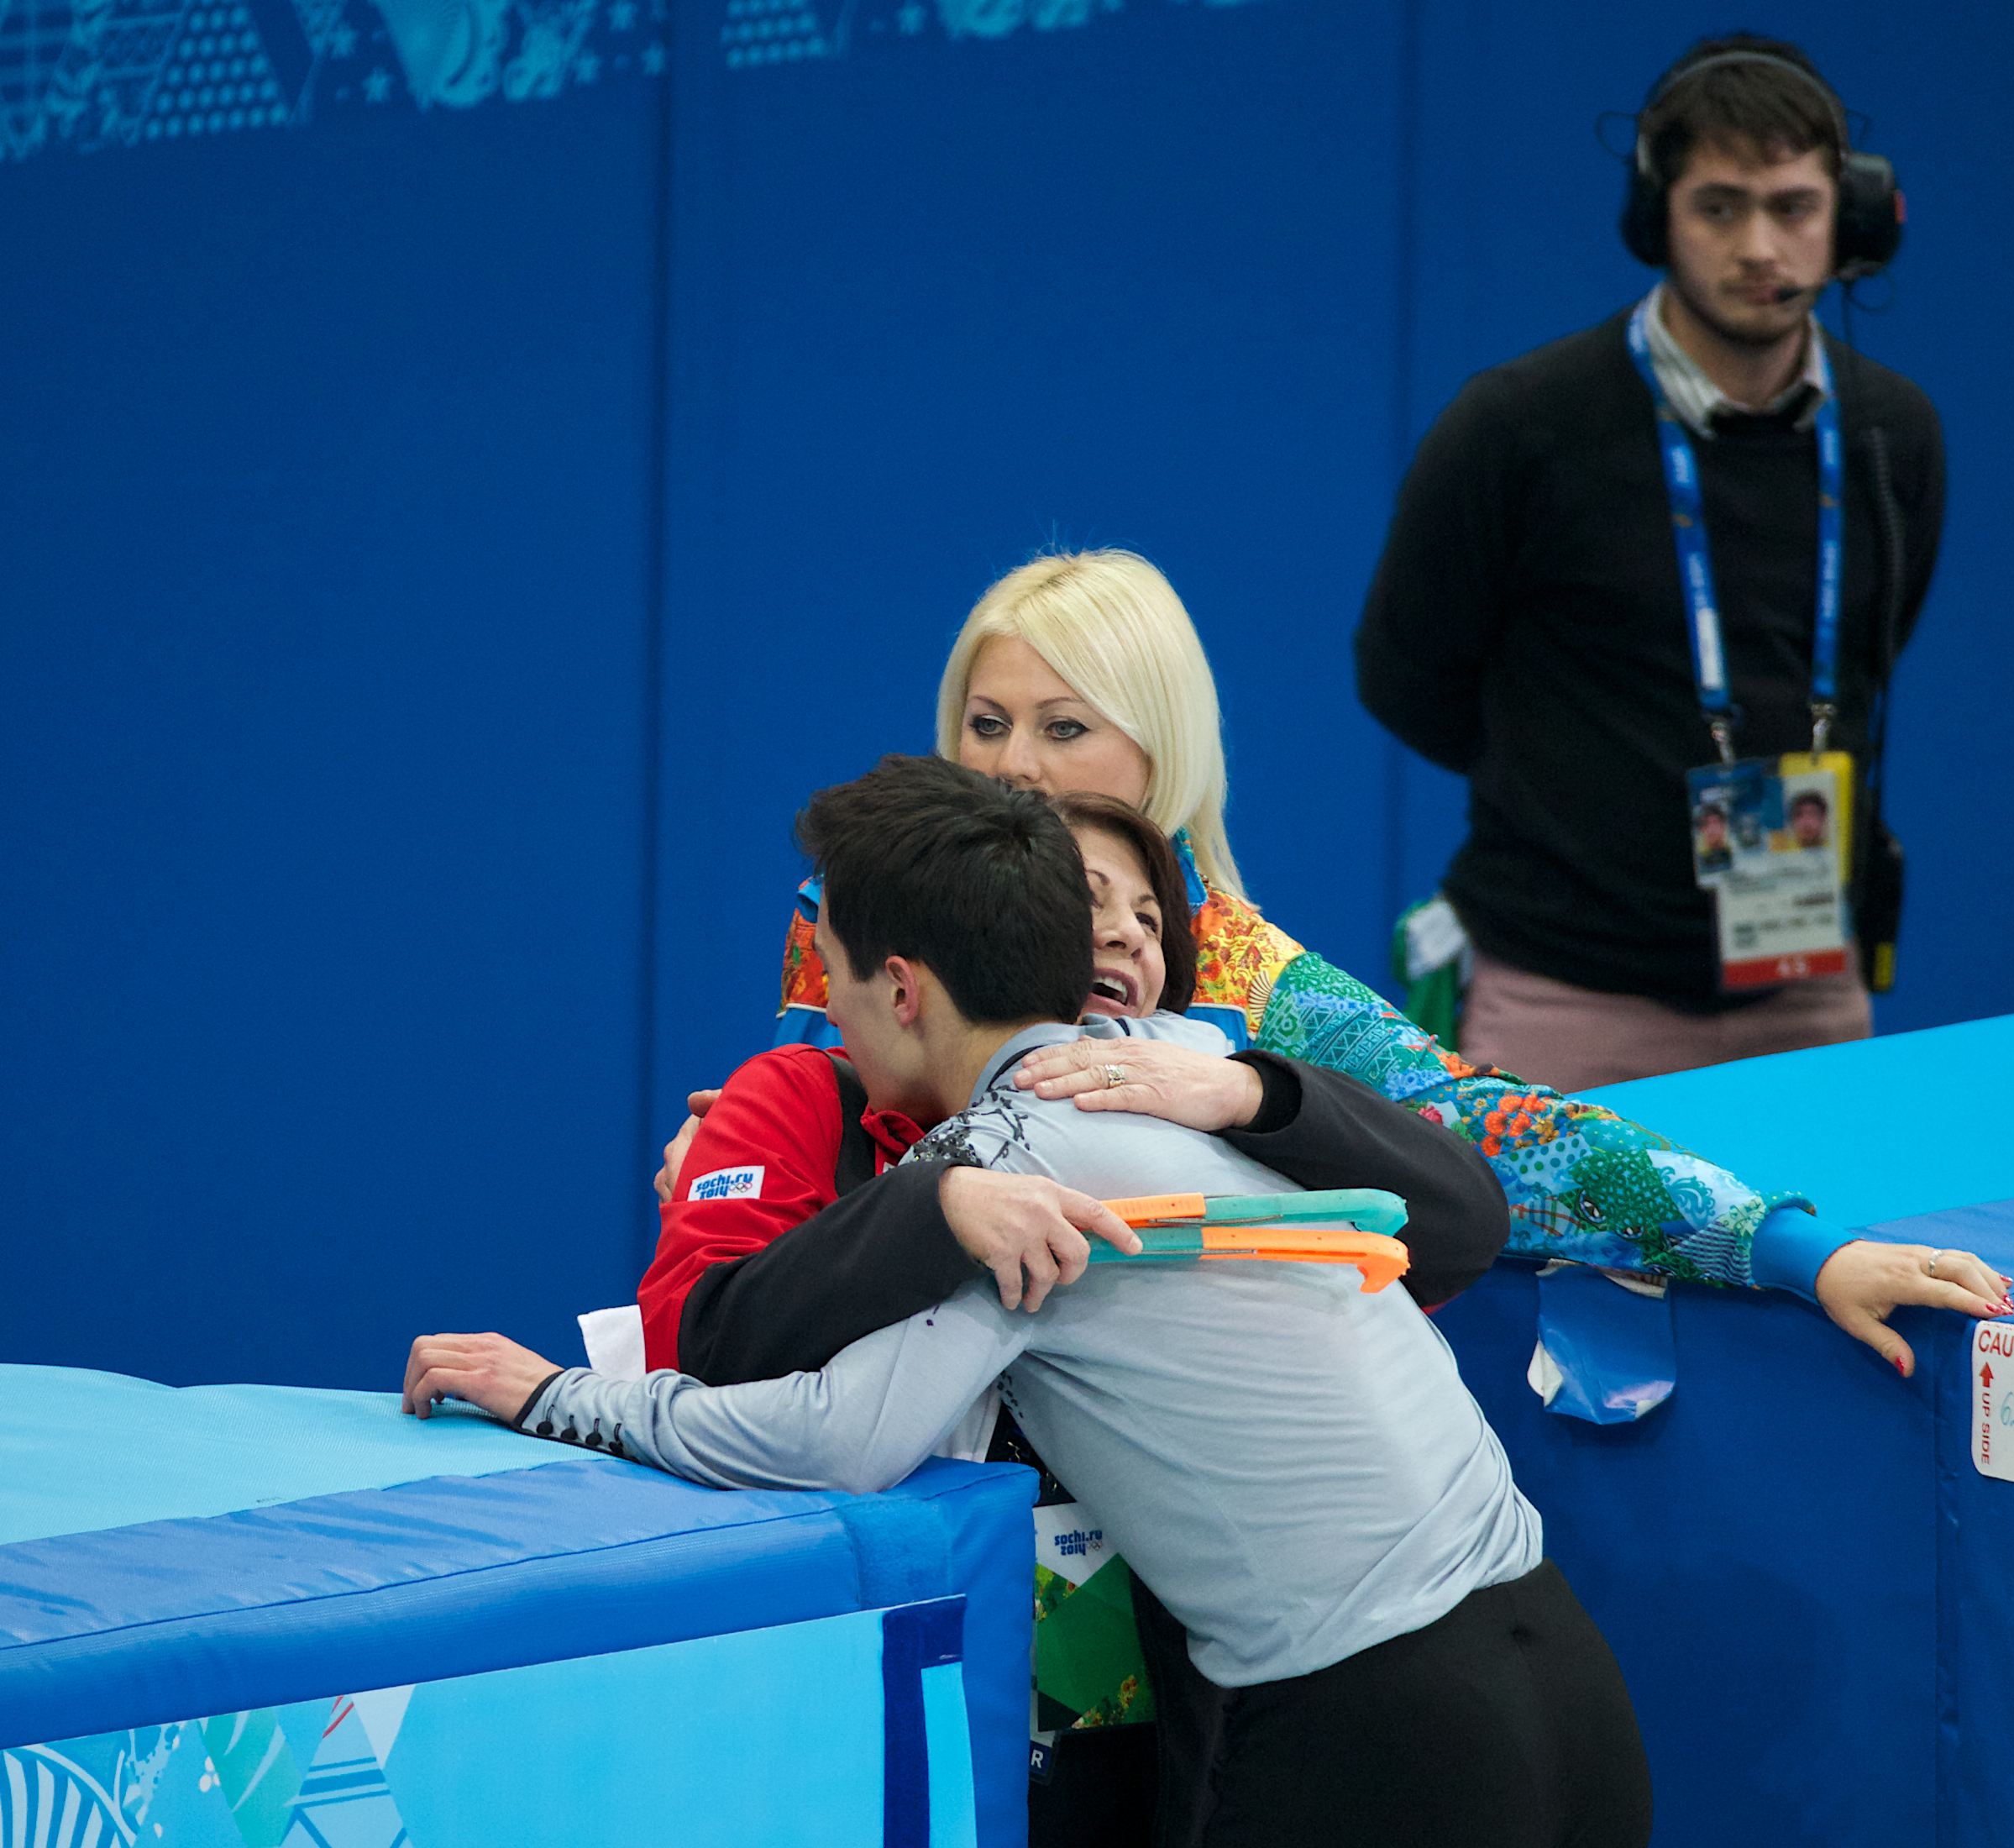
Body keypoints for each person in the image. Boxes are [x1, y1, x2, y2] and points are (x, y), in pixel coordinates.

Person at [406, 755, 1655, 1848]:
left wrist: (562, 1397)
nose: (826, 1013)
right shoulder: (1187, 1068)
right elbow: (1462, 1205)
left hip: (1385, 1731)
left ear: (900, 990)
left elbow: (836, 1434)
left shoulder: (1013, 1153)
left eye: (833, 976)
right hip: (1569, 1679)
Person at [669, 546, 2004, 1376]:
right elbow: (794, 1162)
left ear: (1161, 758)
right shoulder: (846, 905)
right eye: (988, 721)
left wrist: (1786, 1249)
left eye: (1067, 728)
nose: (1016, 764)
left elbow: (1499, 1136)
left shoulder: (1250, 978)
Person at [648, 788, 1518, 1848]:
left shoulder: (1204, 1096)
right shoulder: (815, 1096)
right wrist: (935, 1203)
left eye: (1150, 916)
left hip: (1239, 1699)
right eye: (1088, 903)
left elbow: (1469, 1217)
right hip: (942, 1681)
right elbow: (707, 1342)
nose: (1118, 933)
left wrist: (1252, 1094)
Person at [1354, 35, 1946, 1093]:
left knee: (1829, 1259)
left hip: (1806, 983)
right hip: (1564, 990)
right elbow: (1408, 675)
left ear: (1847, 217)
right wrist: (1571, 792)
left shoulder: (1891, 432)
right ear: (1655, 219)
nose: (1760, 244)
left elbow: (1870, 653)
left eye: (1793, 206)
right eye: (1719, 207)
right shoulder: (1519, 428)